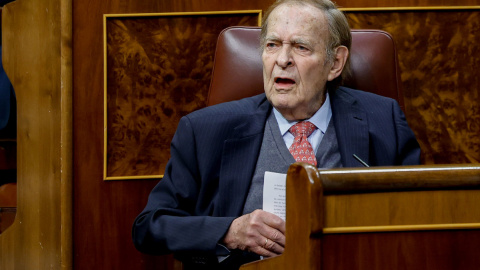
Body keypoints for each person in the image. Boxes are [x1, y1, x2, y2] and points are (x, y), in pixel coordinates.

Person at [132, 0, 421, 269]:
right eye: (272, 45)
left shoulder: (383, 120)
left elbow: (420, 218)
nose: (282, 59)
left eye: (301, 47)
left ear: (335, 63)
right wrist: (230, 231)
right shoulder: (205, 130)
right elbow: (150, 227)